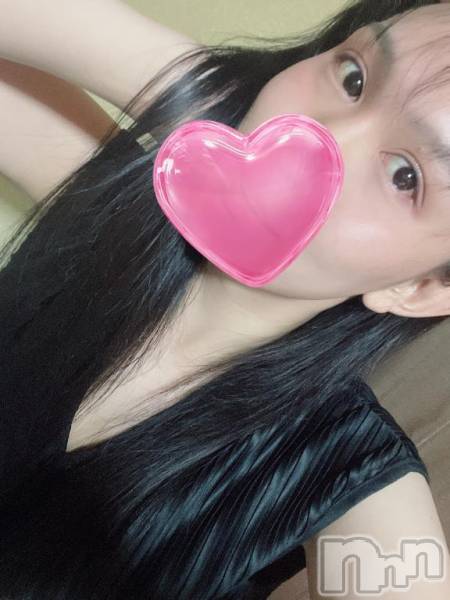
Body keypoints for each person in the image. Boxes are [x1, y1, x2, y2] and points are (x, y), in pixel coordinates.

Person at [0, 0, 449, 598]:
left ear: (418, 288)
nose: (318, 141)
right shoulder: (110, 205)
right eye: (352, 76)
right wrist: (200, 87)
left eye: (405, 178)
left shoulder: (352, 478)